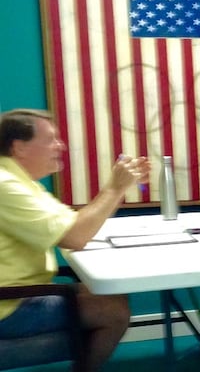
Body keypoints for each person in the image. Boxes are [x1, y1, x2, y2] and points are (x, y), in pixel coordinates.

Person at [0, 108, 150, 372]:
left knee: (111, 296)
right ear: (19, 147)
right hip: (10, 305)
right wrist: (115, 188)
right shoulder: (6, 185)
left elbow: (72, 224)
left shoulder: (23, 183)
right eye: (50, 139)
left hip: (26, 292)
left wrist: (119, 187)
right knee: (113, 312)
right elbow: (75, 236)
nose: (61, 146)